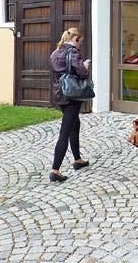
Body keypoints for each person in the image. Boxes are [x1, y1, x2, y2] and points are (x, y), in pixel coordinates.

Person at [49, 28, 91, 182]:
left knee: (75, 124)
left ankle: (78, 159)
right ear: (75, 39)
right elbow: (82, 73)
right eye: (80, 42)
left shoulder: (55, 52)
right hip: (72, 95)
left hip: (59, 94)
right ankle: (55, 170)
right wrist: (85, 66)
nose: (80, 45)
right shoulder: (72, 53)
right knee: (65, 132)